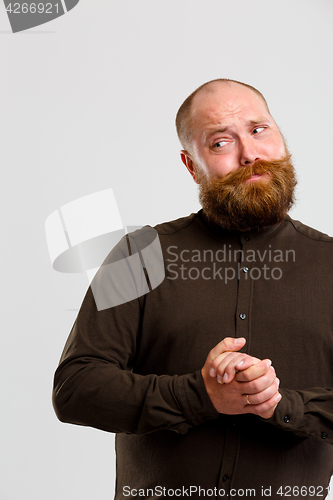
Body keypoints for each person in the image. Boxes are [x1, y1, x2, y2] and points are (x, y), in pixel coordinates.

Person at [53, 79, 333, 499]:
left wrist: (280, 405)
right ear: (191, 164)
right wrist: (200, 395)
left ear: (281, 137)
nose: (250, 154)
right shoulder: (138, 254)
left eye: (259, 130)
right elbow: (75, 389)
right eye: (221, 142)